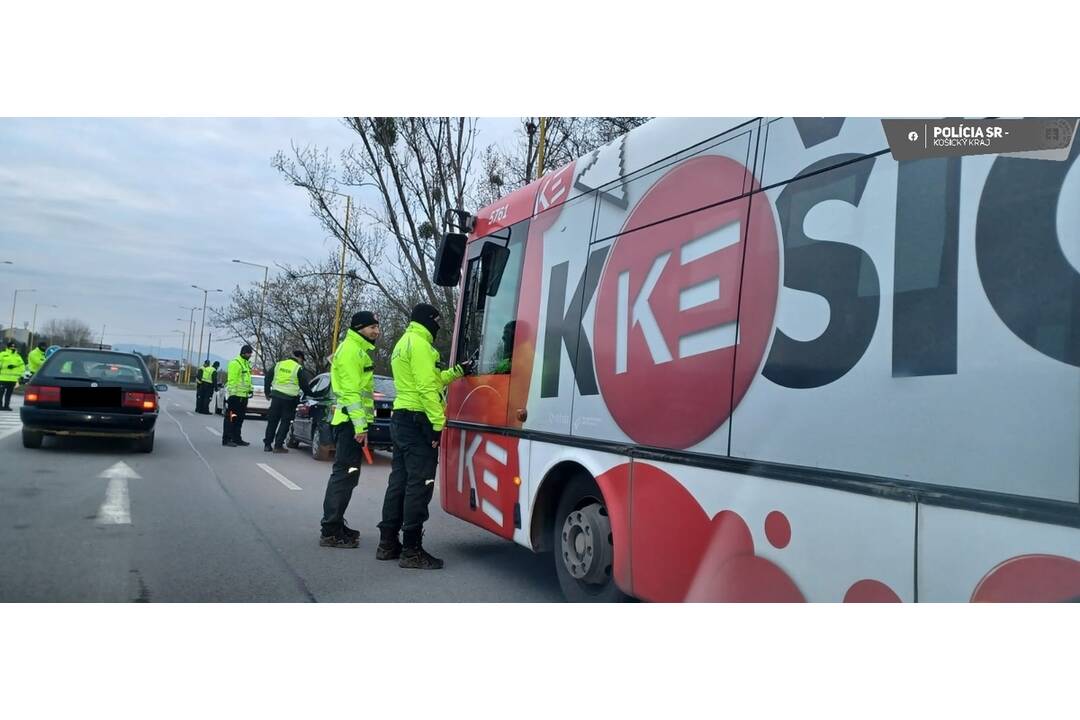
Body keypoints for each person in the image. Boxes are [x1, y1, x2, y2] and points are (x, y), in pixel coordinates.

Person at [376, 303, 471, 569]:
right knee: (420, 484)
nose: (439, 325)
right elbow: (427, 388)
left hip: (402, 417)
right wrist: (437, 425)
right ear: (428, 320)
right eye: (436, 320)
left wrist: (456, 372)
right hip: (418, 420)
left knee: (400, 482)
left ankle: (387, 543)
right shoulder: (419, 345)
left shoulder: (404, 343)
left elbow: (429, 379)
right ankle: (412, 551)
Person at [319, 311, 380, 548]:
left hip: (350, 423)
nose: (376, 331)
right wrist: (360, 426)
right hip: (349, 425)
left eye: (377, 327)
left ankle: (335, 523)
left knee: (348, 476)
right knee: (344, 476)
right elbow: (352, 393)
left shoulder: (356, 349)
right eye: (372, 327)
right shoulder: (352, 352)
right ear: (359, 328)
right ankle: (331, 530)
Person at [263, 349, 313, 453]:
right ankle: (278, 446)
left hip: (276, 398)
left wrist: (267, 392)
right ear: (299, 357)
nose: (301, 362)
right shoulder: (298, 368)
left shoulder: (279, 364)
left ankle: (267, 445)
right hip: (289, 400)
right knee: (285, 423)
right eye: (302, 360)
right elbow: (304, 385)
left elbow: (267, 377)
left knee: (272, 421)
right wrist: (312, 394)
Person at [221, 345, 254, 447]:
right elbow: (232, 380)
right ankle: (227, 439)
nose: (250, 355)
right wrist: (231, 395)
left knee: (239, 419)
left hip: (243, 396)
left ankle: (237, 438)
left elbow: (247, 379)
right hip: (235, 396)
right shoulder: (236, 363)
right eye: (248, 353)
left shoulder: (246, 364)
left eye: (250, 354)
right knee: (231, 418)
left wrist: (250, 389)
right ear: (243, 353)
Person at [0, 340, 25, 411]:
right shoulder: (2, 354)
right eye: (11, 346)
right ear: (8, 347)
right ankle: (0, 406)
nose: (13, 348)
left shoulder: (17, 356)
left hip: (13, 379)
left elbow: (22, 366)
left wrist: (20, 375)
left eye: (14, 347)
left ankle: (6, 406)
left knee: (9, 394)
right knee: (1, 393)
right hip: (2, 378)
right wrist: (7, 366)